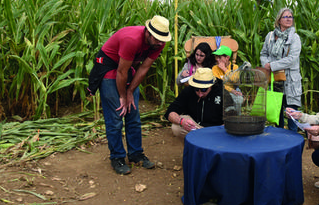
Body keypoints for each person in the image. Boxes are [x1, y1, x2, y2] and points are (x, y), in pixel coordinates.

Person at [87, 15, 171, 175]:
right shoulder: (131, 39)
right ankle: (117, 157)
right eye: (158, 39)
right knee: (117, 115)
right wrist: (123, 96)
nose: (161, 43)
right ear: (148, 32)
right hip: (110, 67)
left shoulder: (159, 43)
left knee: (133, 114)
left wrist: (131, 91)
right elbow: (121, 71)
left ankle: (136, 154)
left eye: (163, 39)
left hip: (127, 67)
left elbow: (144, 68)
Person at [259, 7, 302, 130]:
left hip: (290, 81)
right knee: (277, 113)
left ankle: (293, 140)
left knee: (292, 114)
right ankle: (279, 141)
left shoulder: (295, 38)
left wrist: (272, 65)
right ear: (279, 20)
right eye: (285, 17)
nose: (289, 19)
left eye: (290, 17)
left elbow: (292, 59)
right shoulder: (270, 36)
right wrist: (266, 64)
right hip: (275, 80)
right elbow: (263, 53)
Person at [164, 67, 224, 140]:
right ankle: (192, 147)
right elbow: (170, 112)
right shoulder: (188, 91)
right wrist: (182, 121)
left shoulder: (223, 91)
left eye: (203, 90)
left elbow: (232, 117)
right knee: (176, 127)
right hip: (195, 127)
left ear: (211, 85)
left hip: (216, 129)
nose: (200, 94)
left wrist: (220, 130)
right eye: (197, 89)